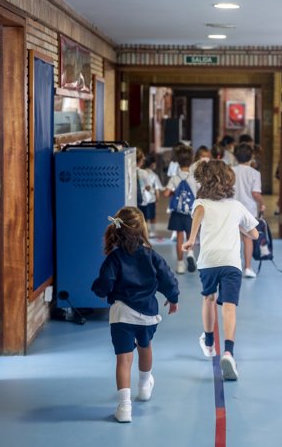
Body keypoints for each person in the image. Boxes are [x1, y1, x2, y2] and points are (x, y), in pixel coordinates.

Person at [91, 207, 179, 423]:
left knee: (123, 359)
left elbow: (104, 284)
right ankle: (144, 384)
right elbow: (167, 278)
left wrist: (102, 292)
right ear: (142, 231)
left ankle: (124, 407)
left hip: (122, 314)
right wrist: (173, 297)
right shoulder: (152, 256)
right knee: (145, 346)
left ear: (117, 230)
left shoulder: (114, 258)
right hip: (148, 312)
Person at [183, 160, 259, 381]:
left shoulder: (201, 204)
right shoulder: (236, 206)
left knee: (208, 298)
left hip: (208, 261)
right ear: (228, 182)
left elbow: (196, 219)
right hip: (231, 262)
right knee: (229, 307)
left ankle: (209, 343)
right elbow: (254, 235)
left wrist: (190, 240)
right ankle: (228, 352)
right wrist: (239, 225)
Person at [163, 144, 198, 274]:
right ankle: (190, 253)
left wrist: (174, 193)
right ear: (191, 161)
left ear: (178, 161)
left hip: (177, 213)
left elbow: (166, 193)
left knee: (179, 238)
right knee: (190, 236)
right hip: (190, 212)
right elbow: (199, 194)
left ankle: (180, 265)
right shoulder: (194, 178)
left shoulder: (174, 177)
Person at [232, 143, 265, 278]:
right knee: (247, 238)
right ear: (251, 157)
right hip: (248, 210)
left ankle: (233, 267)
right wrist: (262, 204)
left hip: (231, 208)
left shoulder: (230, 171)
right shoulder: (255, 173)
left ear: (235, 156)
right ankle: (247, 268)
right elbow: (255, 194)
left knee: (232, 239)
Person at [139, 153, 164, 238]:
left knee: (143, 217)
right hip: (151, 200)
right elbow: (157, 189)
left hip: (141, 199)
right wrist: (157, 198)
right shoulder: (154, 175)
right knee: (152, 216)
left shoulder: (140, 173)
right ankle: (152, 232)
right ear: (153, 164)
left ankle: (144, 232)